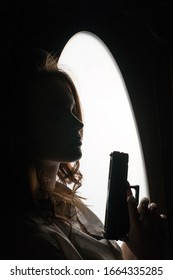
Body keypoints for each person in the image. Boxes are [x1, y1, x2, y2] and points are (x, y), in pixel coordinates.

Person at [0, 48, 167, 260]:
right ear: (19, 125)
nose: (78, 123)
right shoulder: (31, 242)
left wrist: (136, 242)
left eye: (72, 110)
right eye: (57, 114)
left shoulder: (66, 204)